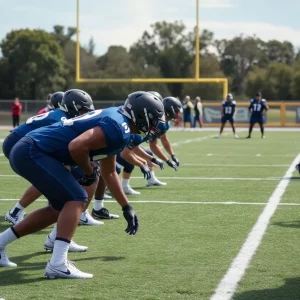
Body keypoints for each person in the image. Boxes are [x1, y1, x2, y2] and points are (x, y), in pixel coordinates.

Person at [0, 91, 164, 280]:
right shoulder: (118, 127)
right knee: (77, 198)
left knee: (58, 208)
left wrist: (126, 206)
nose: (155, 125)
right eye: (153, 119)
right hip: (33, 150)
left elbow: (109, 172)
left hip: (33, 149)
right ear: (141, 115)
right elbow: (76, 146)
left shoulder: (121, 126)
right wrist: (87, 171)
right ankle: (58, 264)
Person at [3, 90, 97, 252]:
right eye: (83, 110)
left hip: (25, 145)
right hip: (19, 146)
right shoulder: (60, 118)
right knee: (61, 181)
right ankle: (55, 234)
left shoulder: (63, 115)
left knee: (57, 181)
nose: (85, 114)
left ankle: (52, 231)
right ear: (73, 108)